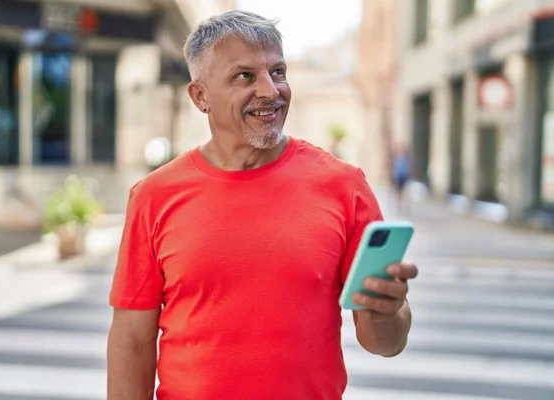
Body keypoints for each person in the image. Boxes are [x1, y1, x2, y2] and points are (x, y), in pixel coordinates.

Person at [107, 10, 418, 400]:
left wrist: (388, 311)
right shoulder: (153, 196)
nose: (271, 91)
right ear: (200, 95)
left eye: (279, 72)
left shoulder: (344, 186)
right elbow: (132, 341)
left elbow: (384, 343)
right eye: (245, 76)